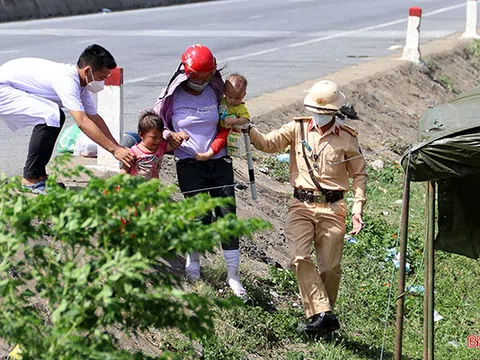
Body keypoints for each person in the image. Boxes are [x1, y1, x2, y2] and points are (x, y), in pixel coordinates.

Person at [246, 80, 368, 333]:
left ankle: (323, 319)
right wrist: (249, 129)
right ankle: (323, 312)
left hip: (333, 208)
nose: (319, 116)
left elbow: (359, 175)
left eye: (324, 112)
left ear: (334, 112)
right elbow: (269, 144)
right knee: (299, 257)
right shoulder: (297, 128)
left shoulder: (347, 138)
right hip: (301, 204)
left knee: (330, 268)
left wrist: (358, 208)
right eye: (315, 110)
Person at [153, 44, 248, 299]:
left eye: (206, 77)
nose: (201, 82)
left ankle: (233, 276)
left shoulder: (217, 91)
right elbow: (153, 123)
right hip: (188, 162)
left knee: (227, 216)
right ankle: (193, 262)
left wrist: (229, 134)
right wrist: (169, 135)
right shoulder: (171, 96)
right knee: (199, 215)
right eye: (197, 78)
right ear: (186, 73)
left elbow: (232, 114)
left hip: (219, 161)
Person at [0, 44, 133, 194]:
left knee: (56, 116)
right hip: (3, 87)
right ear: (88, 70)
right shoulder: (67, 80)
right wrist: (114, 150)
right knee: (50, 115)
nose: (103, 82)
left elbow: (94, 118)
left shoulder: (81, 84)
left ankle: (39, 175)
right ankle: (30, 179)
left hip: (12, 84)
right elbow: (82, 122)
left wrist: (118, 147)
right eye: (102, 77)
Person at [194, 73, 250, 161]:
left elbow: (246, 120)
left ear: (243, 95)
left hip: (226, 129)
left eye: (237, 98)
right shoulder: (222, 100)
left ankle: (209, 154)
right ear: (225, 92)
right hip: (217, 124)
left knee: (220, 140)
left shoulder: (240, 108)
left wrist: (235, 121)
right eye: (230, 97)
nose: (233, 101)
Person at [120, 110, 171, 180]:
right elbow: (125, 168)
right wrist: (120, 183)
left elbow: (173, 146)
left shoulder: (160, 148)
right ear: (141, 135)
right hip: (137, 188)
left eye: (160, 137)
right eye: (154, 138)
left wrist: (180, 137)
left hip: (153, 187)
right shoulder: (134, 151)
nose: (158, 140)